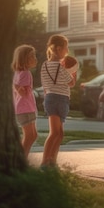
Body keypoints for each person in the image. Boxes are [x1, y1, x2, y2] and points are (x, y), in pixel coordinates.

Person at [40, 34, 76, 169]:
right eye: (66, 48)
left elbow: (45, 85)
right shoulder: (61, 68)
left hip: (49, 98)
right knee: (56, 133)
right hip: (61, 99)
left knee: (58, 133)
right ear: (59, 49)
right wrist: (73, 72)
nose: (67, 51)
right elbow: (71, 83)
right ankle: (46, 162)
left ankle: (51, 162)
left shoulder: (44, 65)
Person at [11, 44, 38, 157]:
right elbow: (18, 87)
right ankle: (21, 159)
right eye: (32, 56)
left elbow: (16, 85)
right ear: (24, 59)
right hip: (24, 109)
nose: (35, 59)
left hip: (26, 108)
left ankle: (22, 158)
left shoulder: (20, 73)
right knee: (29, 135)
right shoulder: (25, 73)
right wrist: (20, 90)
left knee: (33, 135)